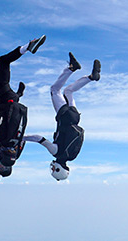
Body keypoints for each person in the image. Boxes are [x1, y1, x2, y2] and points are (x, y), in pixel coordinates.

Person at [23, 52, 101, 181]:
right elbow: (39, 139)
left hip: (76, 117)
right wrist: (22, 138)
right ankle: (72, 68)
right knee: (54, 90)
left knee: (68, 91)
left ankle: (91, 77)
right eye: (54, 170)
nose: (52, 167)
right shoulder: (56, 152)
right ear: (58, 168)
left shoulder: (72, 156)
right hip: (65, 116)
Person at [0, 35, 46, 169]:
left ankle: (19, 93)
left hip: (13, 101)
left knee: (12, 98)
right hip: (2, 96)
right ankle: (28, 47)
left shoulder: (17, 142)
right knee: (3, 61)